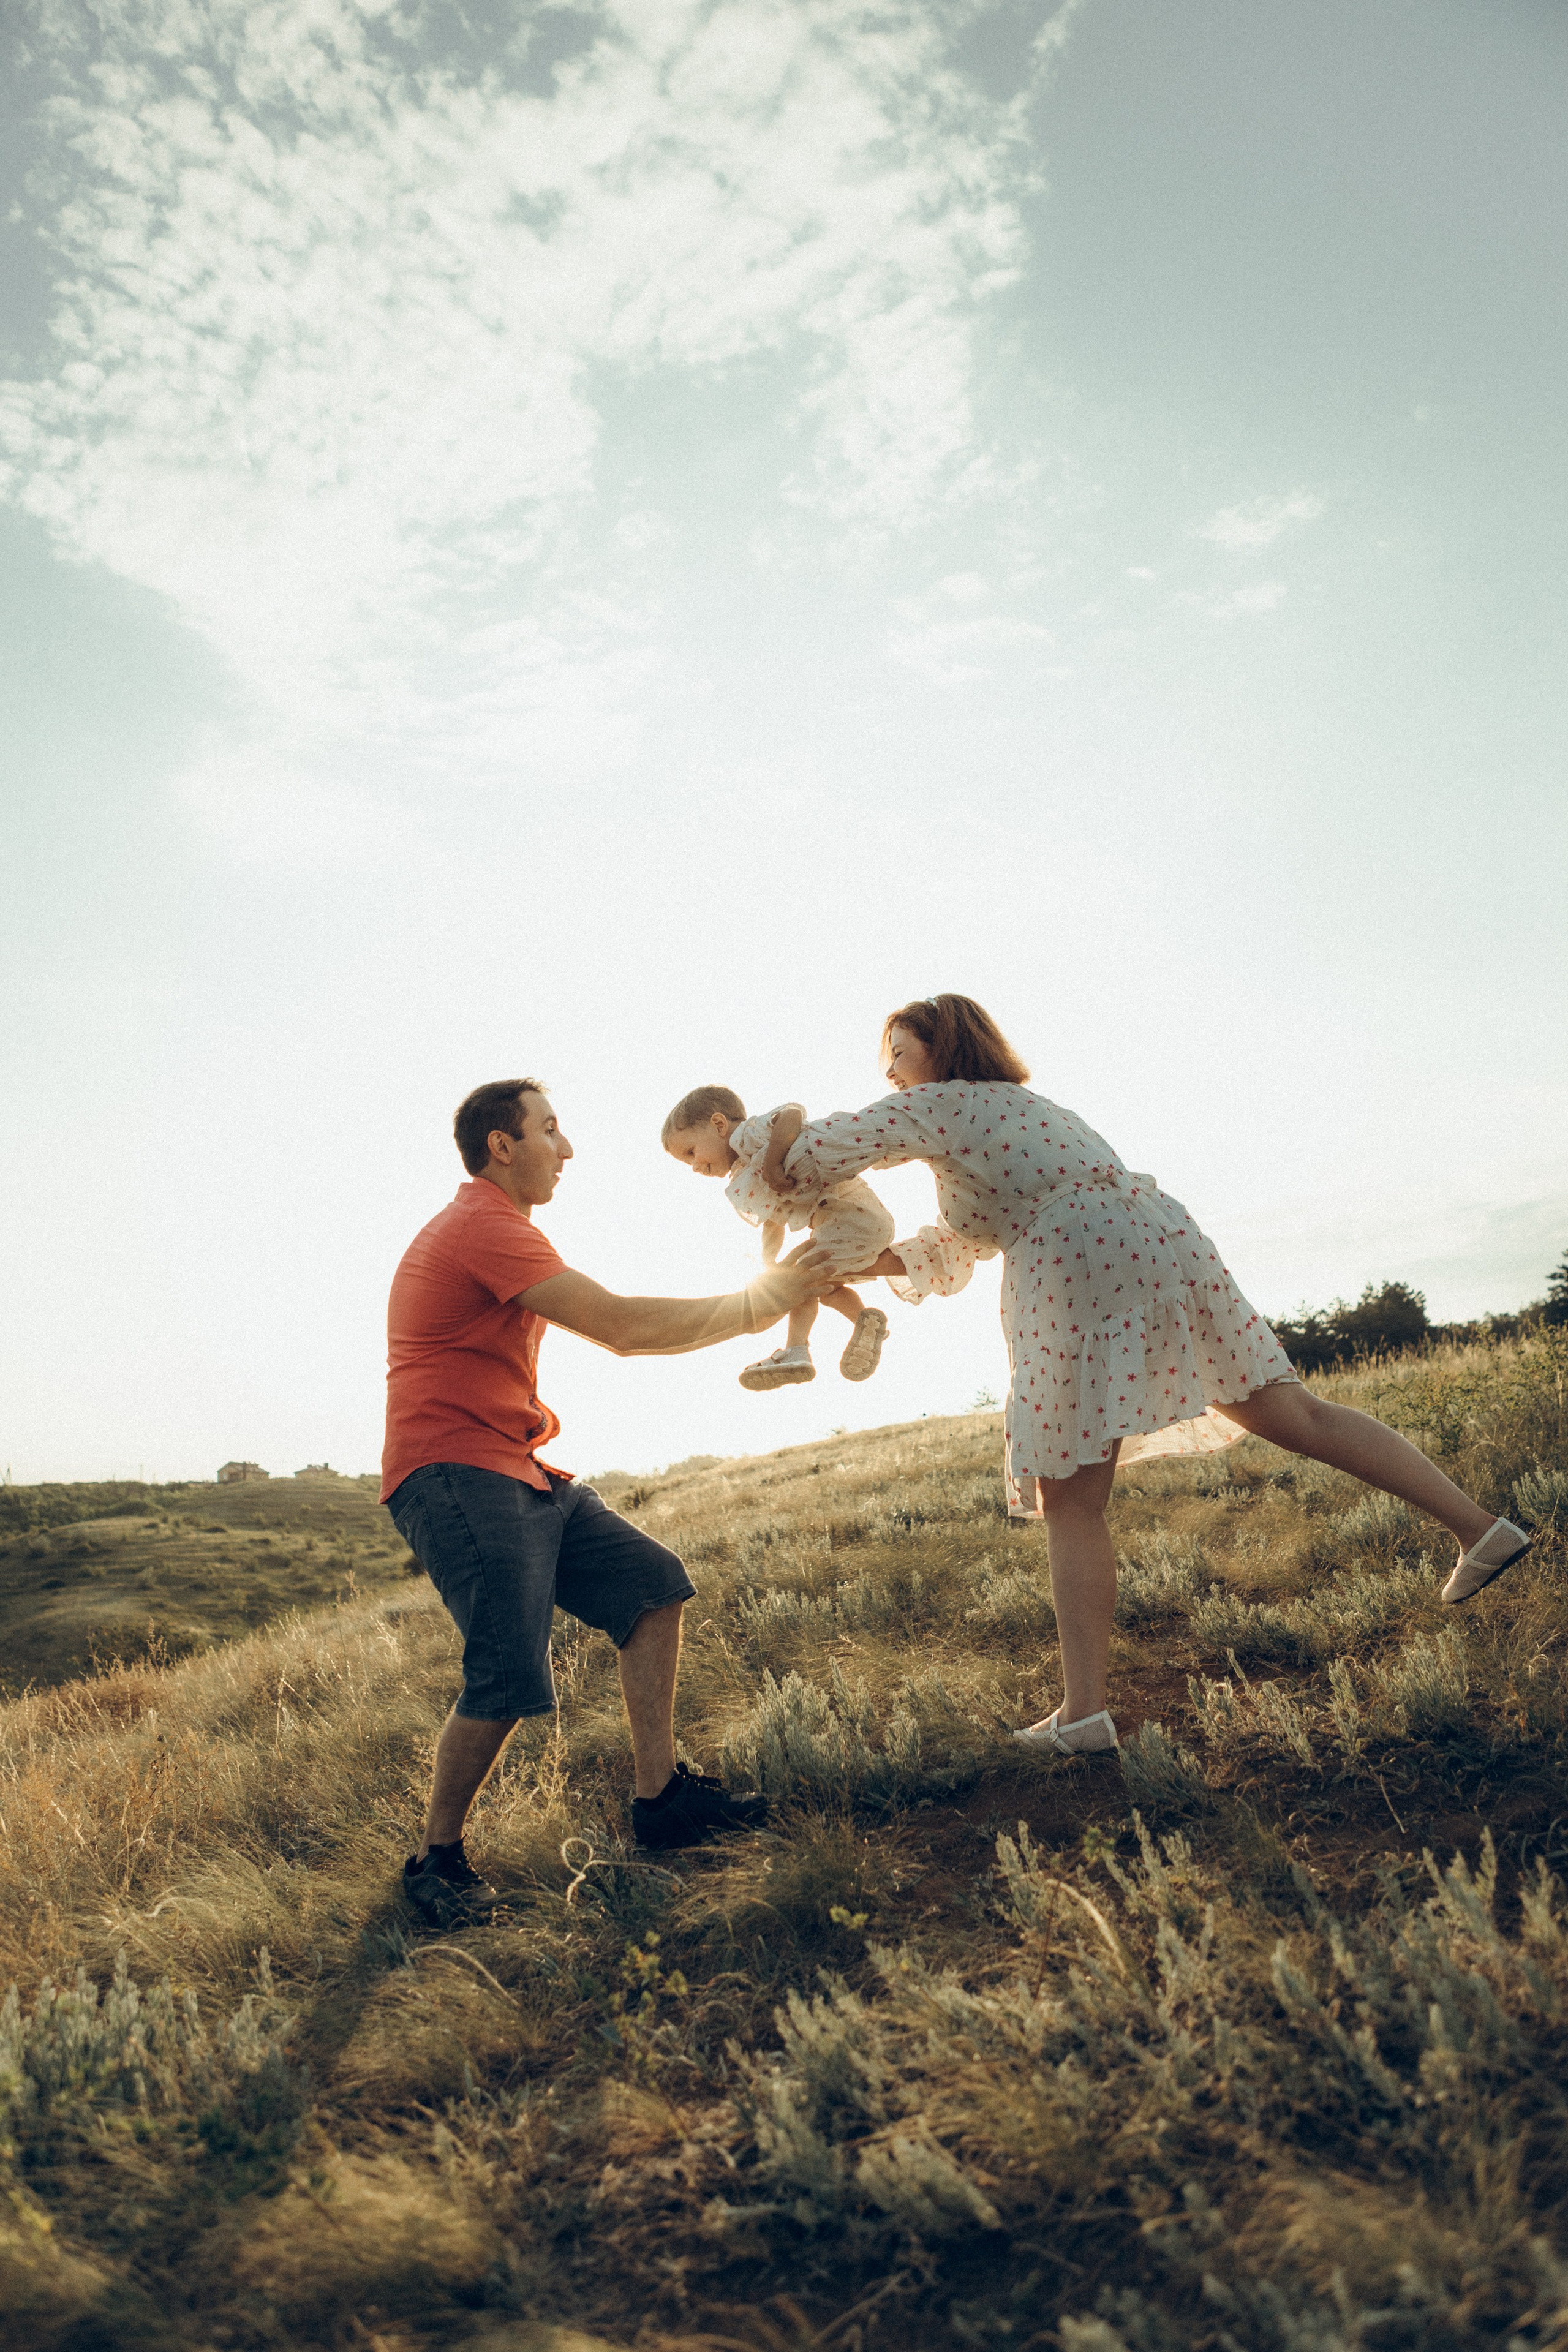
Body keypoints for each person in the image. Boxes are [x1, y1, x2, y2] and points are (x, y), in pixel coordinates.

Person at [762, 994, 1531, 1757]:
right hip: (1154, 1235)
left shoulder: (943, 1102)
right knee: (1293, 1413)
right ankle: (1481, 1529)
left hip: (1076, 1259)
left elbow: (817, 1154)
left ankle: (1084, 1714)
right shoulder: (1027, 1112)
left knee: (1067, 1493)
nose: (891, 1073)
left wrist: (763, 1141)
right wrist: (868, 1257)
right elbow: (963, 1242)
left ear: (944, 1048)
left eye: (899, 1053)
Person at [382, 1076, 836, 1926]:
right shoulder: (482, 1223)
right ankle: (433, 1860)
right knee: (509, 1671)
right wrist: (758, 1304)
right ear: (502, 1146)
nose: (569, 1147)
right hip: (455, 1471)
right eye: (551, 1130)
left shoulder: (501, 1229)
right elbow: (621, 1328)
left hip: (517, 1466)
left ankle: (660, 1800)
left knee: (651, 1585)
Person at [662, 1084, 891, 1391]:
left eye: (691, 1151)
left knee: (803, 1282)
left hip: (850, 1214)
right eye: (686, 1161)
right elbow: (773, 1221)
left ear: (718, 1125)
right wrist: (769, 1260)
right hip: (853, 1220)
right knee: (825, 1287)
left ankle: (796, 1350)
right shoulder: (746, 1174)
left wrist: (772, 1164)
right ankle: (867, 1322)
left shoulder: (746, 1137)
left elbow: (791, 1115)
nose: (693, 1167)